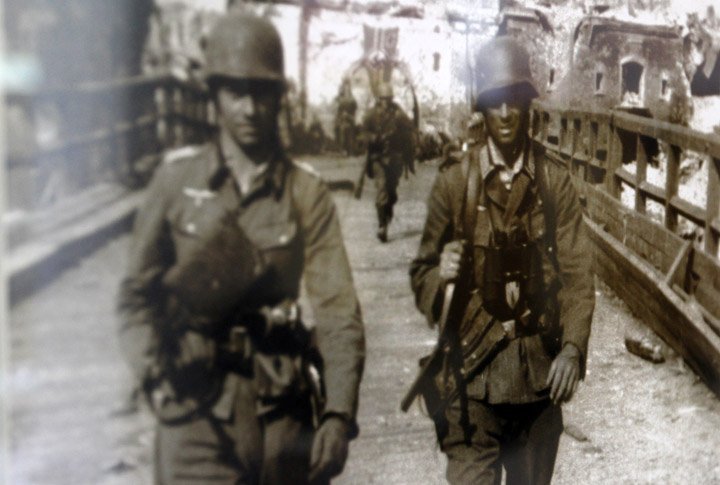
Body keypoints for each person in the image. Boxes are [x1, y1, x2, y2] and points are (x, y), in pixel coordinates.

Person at [117, 13, 365, 485]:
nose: (250, 109)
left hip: (280, 414)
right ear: (214, 97)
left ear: (278, 97)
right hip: (194, 414)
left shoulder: (304, 192)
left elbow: (337, 310)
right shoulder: (176, 182)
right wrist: (153, 372)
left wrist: (338, 412)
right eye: (235, 92)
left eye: (262, 93)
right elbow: (135, 296)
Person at [409, 36, 595, 485]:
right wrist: (441, 276)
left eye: (515, 100)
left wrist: (572, 349)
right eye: (496, 103)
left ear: (528, 103)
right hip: (471, 378)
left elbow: (578, 275)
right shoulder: (456, 182)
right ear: (483, 108)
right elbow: (422, 273)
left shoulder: (554, 182)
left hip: (538, 381)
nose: (507, 115)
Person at [361, 82, 415, 242]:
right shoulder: (371, 115)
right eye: (383, 99)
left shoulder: (398, 113)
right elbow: (362, 134)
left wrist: (403, 135)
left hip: (395, 159)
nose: (386, 102)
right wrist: (374, 138)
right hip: (378, 159)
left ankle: (387, 215)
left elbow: (410, 128)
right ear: (379, 99)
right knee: (382, 191)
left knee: (391, 194)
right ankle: (381, 226)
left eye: (389, 99)